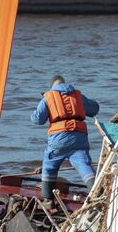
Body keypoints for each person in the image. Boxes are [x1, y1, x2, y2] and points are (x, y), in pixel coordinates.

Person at [31, 75, 100, 204]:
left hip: (58, 138)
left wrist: (33, 113)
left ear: (52, 86)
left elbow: (38, 119)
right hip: (79, 137)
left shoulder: (48, 97)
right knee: (83, 164)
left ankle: (48, 199)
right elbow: (94, 109)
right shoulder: (78, 95)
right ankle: (96, 192)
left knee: (49, 165)